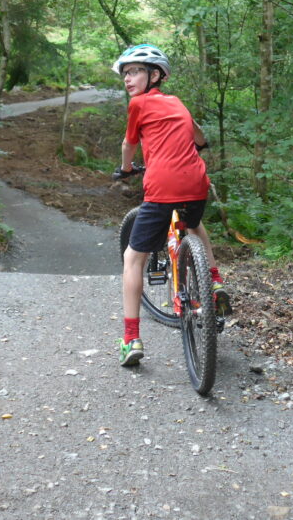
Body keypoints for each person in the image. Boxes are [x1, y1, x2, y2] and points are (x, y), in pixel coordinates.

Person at [111, 44, 231, 367]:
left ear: (155, 75)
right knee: (194, 224)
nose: (127, 78)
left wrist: (125, 169)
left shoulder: (138, 105)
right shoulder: (177, 102)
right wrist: (201, 144)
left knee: (133, 258)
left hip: (162, 187)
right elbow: (198, 134)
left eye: (134, 71)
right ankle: (214, 279)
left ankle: (130, 339)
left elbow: (128, 144)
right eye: (125, 73)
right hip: (197, 183)